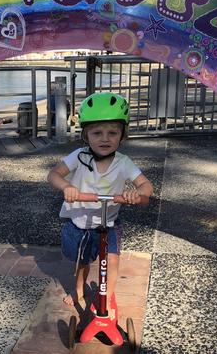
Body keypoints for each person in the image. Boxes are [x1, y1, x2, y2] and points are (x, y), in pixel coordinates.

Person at [46, 92, 153, 319]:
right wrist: (67, 187)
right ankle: (78, 290)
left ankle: (107, 297)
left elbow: (146, 185)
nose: (105, 138)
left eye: (112, 133)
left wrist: (138, 194)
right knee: (81, 261)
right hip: (80, 222)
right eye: (97, 133)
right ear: (86, 135)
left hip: (109, 222)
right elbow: (54, 174)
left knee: (112, 259)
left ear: (122, 135)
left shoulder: (124, 163)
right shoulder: (79, 156)